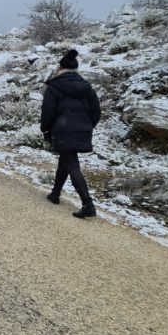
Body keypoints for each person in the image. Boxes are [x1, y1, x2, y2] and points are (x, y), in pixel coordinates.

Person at [40, 49, 101, 219]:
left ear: (60, 68)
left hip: (62, 129)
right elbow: (96, 112)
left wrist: (45, 129)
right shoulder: (87, 87)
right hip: (83, 129)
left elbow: (48, 112)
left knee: (72, 163)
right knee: (66, 159)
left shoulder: (54, 87)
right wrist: (87, 125)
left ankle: (88, 204)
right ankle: (55, 193)